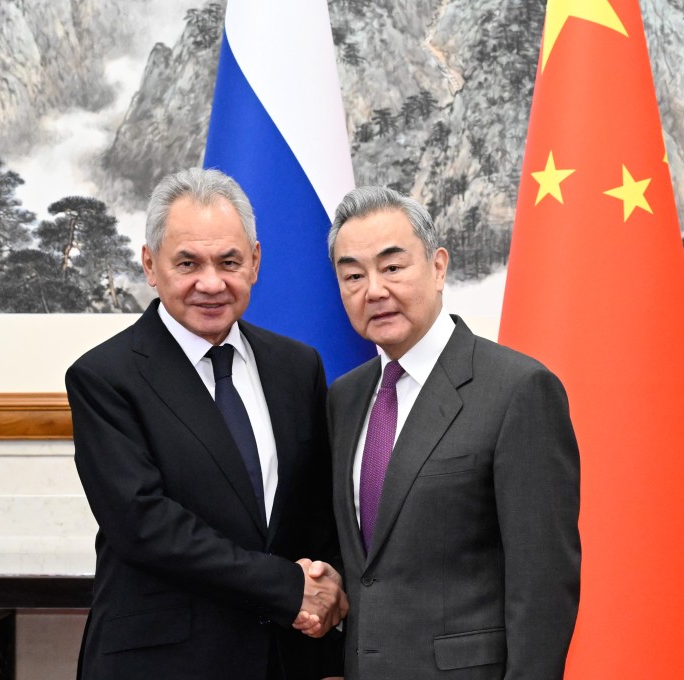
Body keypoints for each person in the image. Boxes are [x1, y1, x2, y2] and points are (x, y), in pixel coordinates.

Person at [67, 167, 346, 680]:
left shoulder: (297, 367)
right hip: (163, 662)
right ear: (150, 265)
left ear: (256, 262)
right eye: (188, 263)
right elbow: (145, 526)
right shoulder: (105, 378)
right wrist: (287, 587)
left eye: (229, 261)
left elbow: (314, 513)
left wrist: (328, 593)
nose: (211, 283)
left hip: (283, 658)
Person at [325, 186, 581, 679]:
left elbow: (543, 582)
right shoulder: (346, 398)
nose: (374, 290)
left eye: (393, 267)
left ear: (439, 267)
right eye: (353, 275)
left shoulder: (518, 390)